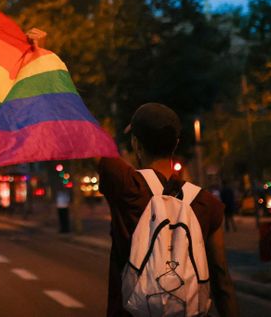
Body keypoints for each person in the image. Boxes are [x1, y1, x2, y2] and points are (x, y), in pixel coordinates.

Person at [97, 103, 238, 317]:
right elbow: (222, 279)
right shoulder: (207, 203)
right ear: (176, 144)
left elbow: (91, 145)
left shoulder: (128, 188)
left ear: (136, 144)